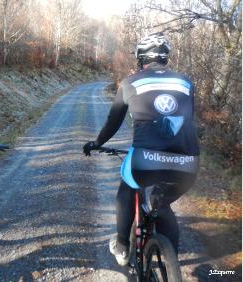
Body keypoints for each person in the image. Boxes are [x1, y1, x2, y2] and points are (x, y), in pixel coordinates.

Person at [83, 32, 200, 266]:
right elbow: (187, 121)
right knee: (163, 204)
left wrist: (97, 143)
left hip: (145, 161)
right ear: (165, 58)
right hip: (188, 163)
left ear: (140, 59)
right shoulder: (186, 82)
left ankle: (122, 246)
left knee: (126, 190)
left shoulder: (130, 83)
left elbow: (113, 122)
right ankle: (170, 264)